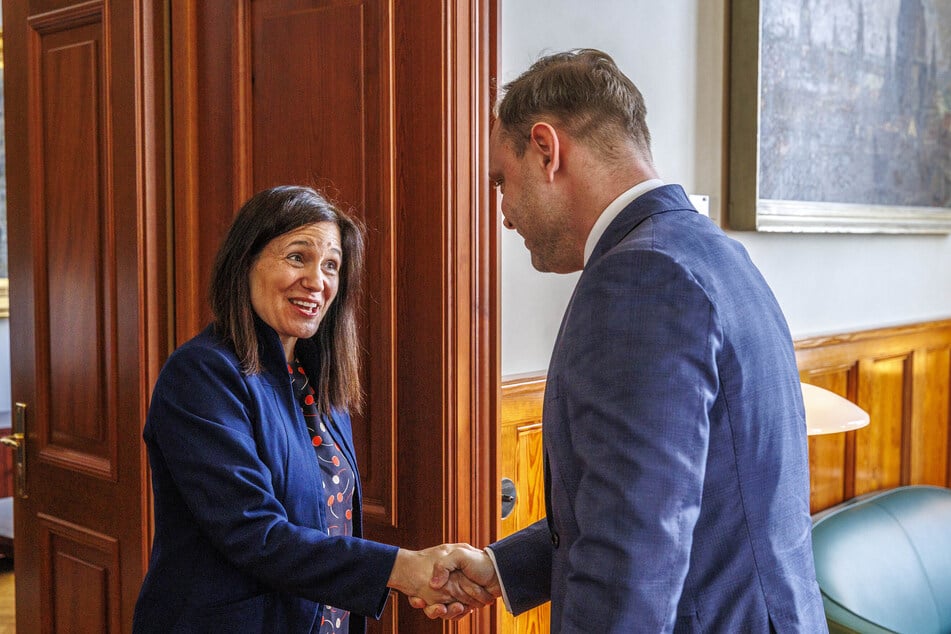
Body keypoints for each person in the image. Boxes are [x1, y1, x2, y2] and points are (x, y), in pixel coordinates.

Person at [427, 49, 828, 632]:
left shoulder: (638, 279)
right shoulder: (712, 252)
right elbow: (678, 500)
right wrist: (501, 568)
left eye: (500, 181)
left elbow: (631, 559)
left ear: (546, 150)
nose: (505, 214)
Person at [132, 185, 492, 633]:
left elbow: (327, 522)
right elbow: (255, 535)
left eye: (331, 266)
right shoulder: (201, 375)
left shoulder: (313, 378)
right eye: (297, 257)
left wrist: (419, 573)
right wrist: (402, 568)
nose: (317, 282)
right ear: (245, 261)